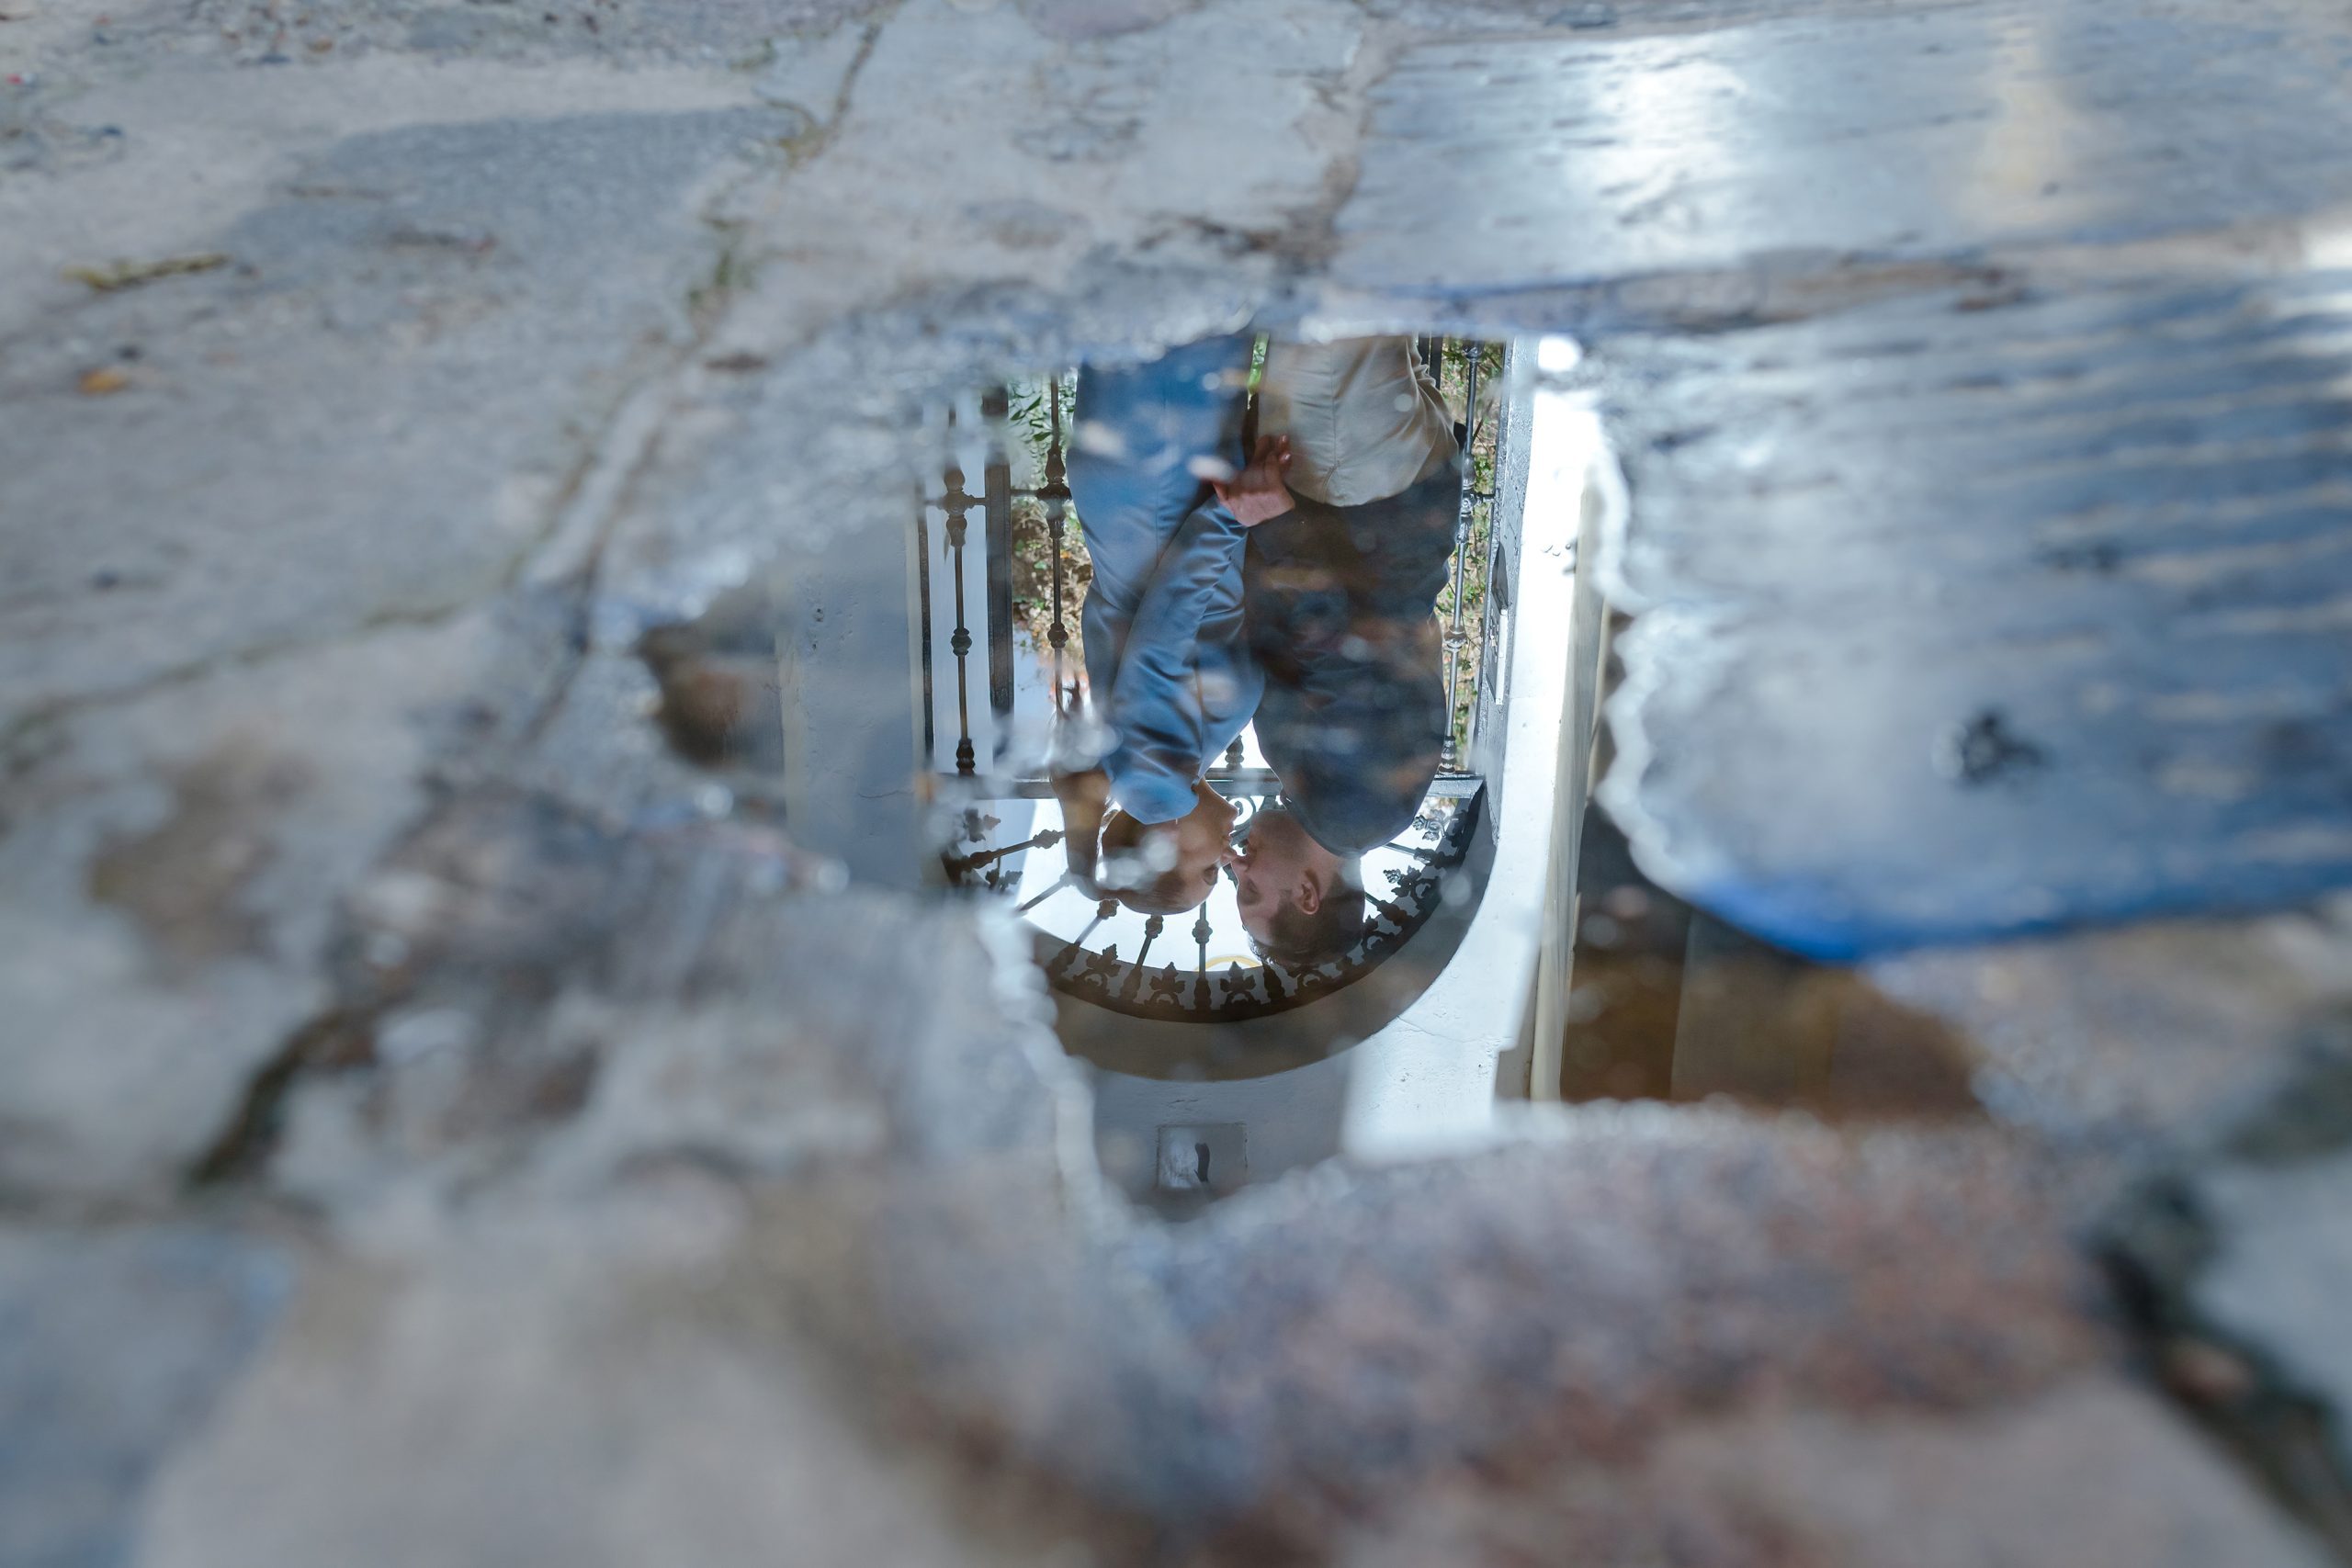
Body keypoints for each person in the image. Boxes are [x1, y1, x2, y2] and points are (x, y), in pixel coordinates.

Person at [1221, 334, 1464, 964]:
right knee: (1333, 274)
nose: (1239, 866)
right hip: (1350, 486)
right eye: (1251, 889)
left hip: (1364, 486)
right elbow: (1349, 650)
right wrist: (1275, 519)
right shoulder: (1352, 807)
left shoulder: (1347, 806)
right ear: (1305, 892)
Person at [1051, 333, 1272, 914]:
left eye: (1209, 872)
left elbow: (1158, 647)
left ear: (1164, 848)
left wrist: (1226, 520)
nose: (1228, 858)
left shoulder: (1154, 791)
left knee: (1189, 298)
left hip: (1163, 485)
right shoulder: (1140, 770)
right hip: (1143, 491)